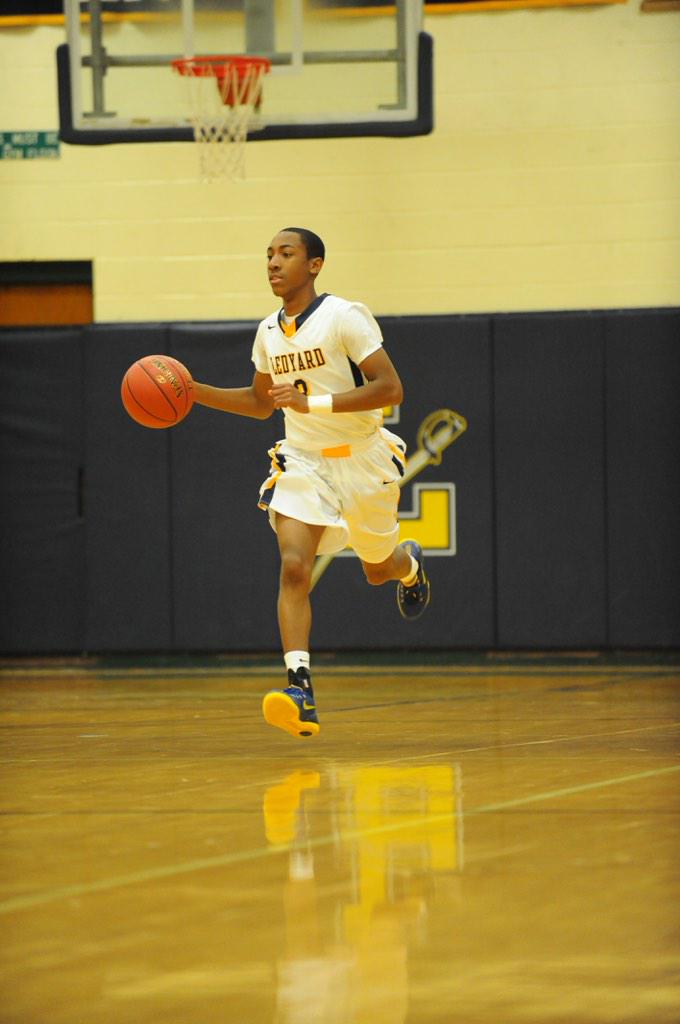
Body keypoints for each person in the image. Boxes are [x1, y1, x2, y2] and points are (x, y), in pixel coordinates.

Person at [191, 227, 430, 739]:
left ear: (315, 264)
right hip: (304, 460)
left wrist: (312, 403)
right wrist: (194, 392)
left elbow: (390, 388)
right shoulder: (267, 332)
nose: (273, 263)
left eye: (286, 253)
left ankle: (408, 567)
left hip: (364, 459)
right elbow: (260, 404)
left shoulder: (345, 316)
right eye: (269, 255)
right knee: (295, 567)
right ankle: (300, 689)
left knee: (377, 569)